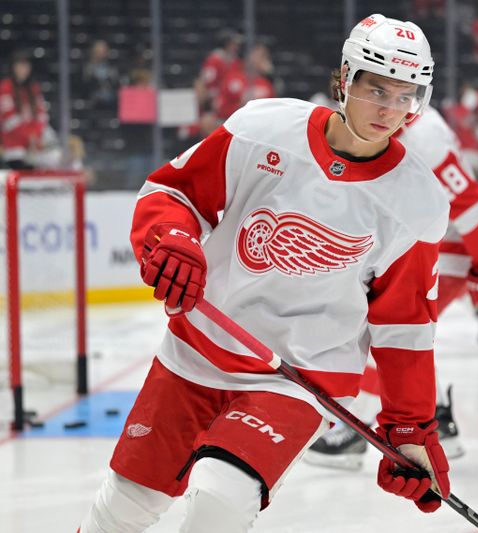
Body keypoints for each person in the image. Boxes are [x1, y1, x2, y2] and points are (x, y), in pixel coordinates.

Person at [78, 14, 452, 532]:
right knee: (123, 507)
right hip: (197, 349)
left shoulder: (418, 201)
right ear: (346, 79)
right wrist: (174, 240)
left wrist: (410, 426)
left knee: (220, 499)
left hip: (300, 377)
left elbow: (405, 323)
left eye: (405, 96)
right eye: (377, 90)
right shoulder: (263, 128)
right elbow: (173, 194)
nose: (390, 110)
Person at [304, 105, 478, 470]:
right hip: (423, 239)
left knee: (382, 331)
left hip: (445, 247)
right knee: (402, 333)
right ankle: (438, 420)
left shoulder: (423, 138)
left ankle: (354, 433)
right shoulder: (401, 125)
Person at [0, 50, 51, 169]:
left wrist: (35, 136)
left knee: (54, 159)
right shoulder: (5, 88)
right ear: (13, 67)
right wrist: (29, 137)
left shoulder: (34, 88)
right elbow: (9, 120)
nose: (24, 69)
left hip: (34, 144)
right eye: (20, 66)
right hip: (14, 146)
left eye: (26, 66)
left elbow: (42, 116)